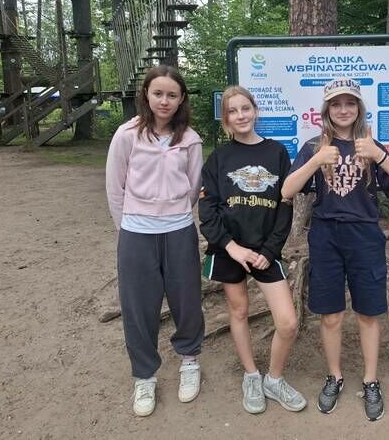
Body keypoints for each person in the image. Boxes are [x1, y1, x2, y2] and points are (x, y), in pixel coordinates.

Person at [281, 77, 389, 421]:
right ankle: (335, 376)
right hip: (326, 236)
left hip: (365, 235)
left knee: (368, 312)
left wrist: (378, 154)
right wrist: (316, 161)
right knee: (330, 314)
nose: (343, 109)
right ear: (327, 110)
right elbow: (286, 191)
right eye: (336, 104)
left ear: (359, 108)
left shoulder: (370, 145)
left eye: (350, 103)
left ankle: (370, 380)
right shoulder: (314, 146)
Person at [197, 85, 306, 415]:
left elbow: (285, 206)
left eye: (245, 108)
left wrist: (270, 251)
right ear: (226, 118)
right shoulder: (219, 158)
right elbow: (208, 211)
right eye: (232, 111)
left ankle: (274, 378)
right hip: (230, 249)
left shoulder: (276, 152)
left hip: (265, 251)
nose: (240, 115)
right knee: (239, 311)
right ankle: (251, 375)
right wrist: (232, 248)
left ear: (255, 111)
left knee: (287, 322)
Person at [105, 65, 204, 417]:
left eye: (172, 95)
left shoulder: (190, 140)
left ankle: (189, 360)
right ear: (146, 95)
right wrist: (127, 227)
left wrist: (173, 212)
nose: (164, 101)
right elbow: (114, 187)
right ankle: (144, 376)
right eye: (158, 93)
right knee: (138, 306)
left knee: (186, 300)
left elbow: (193, 187)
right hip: (136, 233)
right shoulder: (126, 135)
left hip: (179, 230)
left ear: (181, 99)